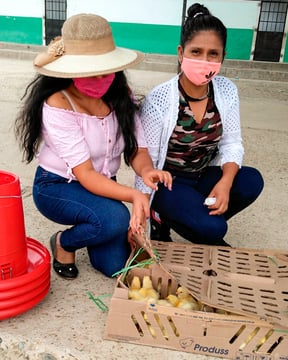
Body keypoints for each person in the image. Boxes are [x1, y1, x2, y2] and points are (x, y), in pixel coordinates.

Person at [15, 13, 172, 279]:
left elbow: (137, 149)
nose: (100, 79)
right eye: (90, 73)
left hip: (102, 186)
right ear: (70, 69)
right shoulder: (58, 103)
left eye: (106, 72)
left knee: (116, 267)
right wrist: (133, 195)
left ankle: (97, 222)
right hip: (58, 187)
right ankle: (64, 242)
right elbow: (85, 173)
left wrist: (146, 171)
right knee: (115, 219)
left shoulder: (121, 95)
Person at [135, 3, 264, 246]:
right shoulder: (160, 99)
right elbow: (147, 160)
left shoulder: (226, 91)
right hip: (169, 182)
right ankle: (164, 216)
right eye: (196, 52)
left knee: (251, 181)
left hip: (203, 176)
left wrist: (225, 183)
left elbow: (232, 143)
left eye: (213, 54)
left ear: (223, 57)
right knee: (215, 229)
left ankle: (195, 220)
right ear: (181, 52)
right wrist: (142, 212)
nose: (204, 61)